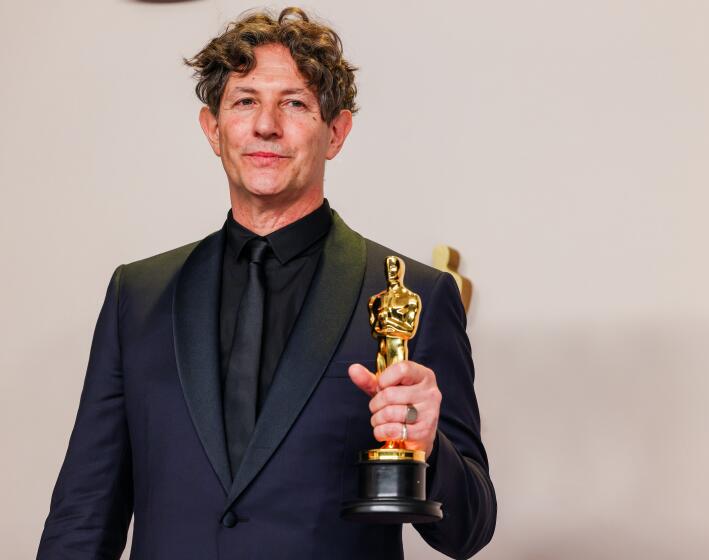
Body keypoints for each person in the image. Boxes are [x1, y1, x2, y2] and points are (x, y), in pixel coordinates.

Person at [36, 7, 496, 559]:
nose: (265, 125)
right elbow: (84, 514)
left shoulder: (416, 295)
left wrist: (428, 448)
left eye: (295, 103)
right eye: (245, 100)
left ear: (337, 132)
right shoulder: (137, 295)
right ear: (213, 128)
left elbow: (470, 530)